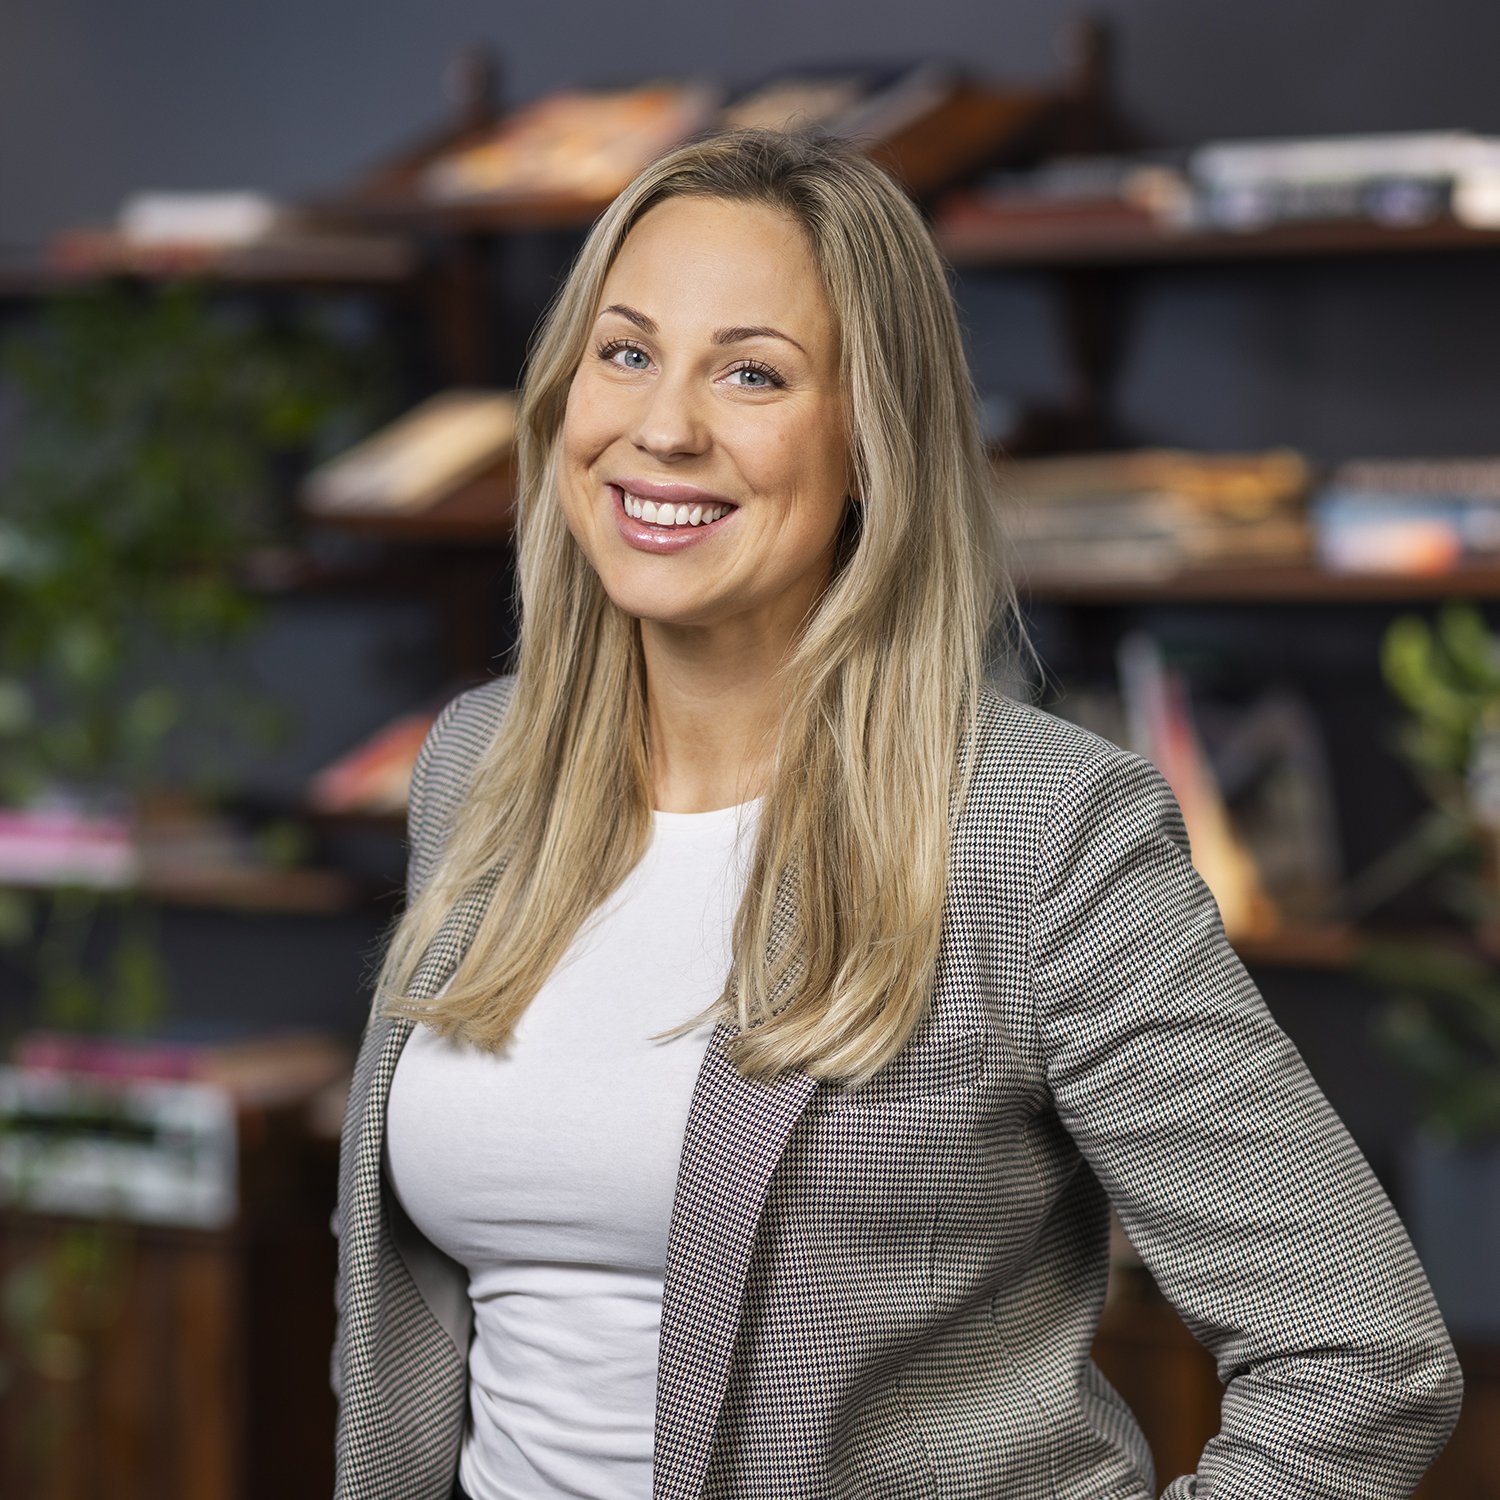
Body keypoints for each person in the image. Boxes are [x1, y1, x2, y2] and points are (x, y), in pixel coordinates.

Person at [331, 129, 1462, 1500]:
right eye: (626, 352)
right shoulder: (480, 769)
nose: (665, 425)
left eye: (752, 372)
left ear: (871, 439)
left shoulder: (1037, 835)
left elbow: (1360, 1358)